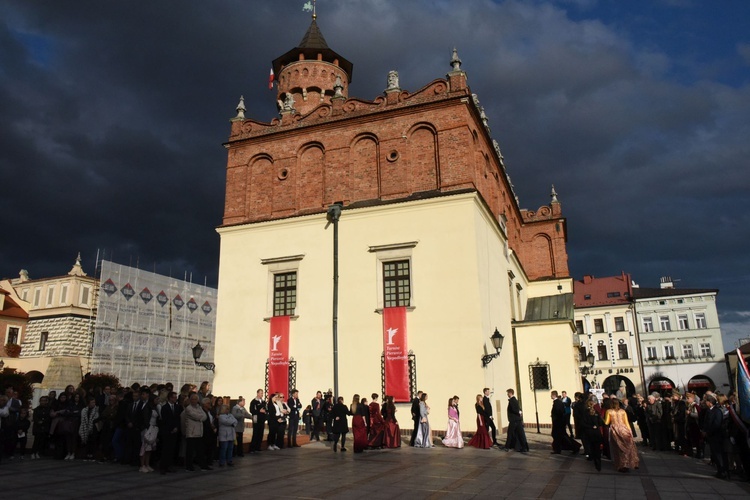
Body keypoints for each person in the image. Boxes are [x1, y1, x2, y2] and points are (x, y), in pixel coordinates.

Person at [604, 398, 639, 472]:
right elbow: (626, 422)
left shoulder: (609, 411)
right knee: (627, 446)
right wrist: (630, 432)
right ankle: (630, 462)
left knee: (618, 447)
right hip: (624, 429)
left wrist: (601, 419)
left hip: (615, 429)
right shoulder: (623, 411)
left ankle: (621, 465)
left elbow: (606, 422)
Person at [703, 394, 728, 479]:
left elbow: (716, 424)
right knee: (714, 454)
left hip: (716, 436)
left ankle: (723, 471)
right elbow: (706, 422)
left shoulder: (717, 411)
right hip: (711, 436)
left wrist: (709, 432)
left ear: (710, 402)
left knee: (718, 454)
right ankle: (719, 471)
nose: (705, 402)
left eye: (706, 401)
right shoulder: (709, 410)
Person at [551, 390, 581, 455]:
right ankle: (573, 446)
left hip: (558, 423)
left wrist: (557, 420)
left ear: (553, 395)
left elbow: (559, 413)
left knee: (559, 436)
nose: (551, 396)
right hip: (559, 422)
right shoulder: (559, 402)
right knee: (561, 436)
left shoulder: (557, 403)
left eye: (551, 395)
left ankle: (573, 446)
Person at [581, 395, 604, 471]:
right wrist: (595, 426)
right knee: (597, 448)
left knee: (591, 447)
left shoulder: (585, 413)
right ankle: (598, 463)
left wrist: (591, 426)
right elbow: (600, 423)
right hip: (596, 433)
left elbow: (583, 423)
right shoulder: (596, 412)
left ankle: (593, 459)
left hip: (589, 433)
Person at [183, 393, 206, 471]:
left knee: (200, 450)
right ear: (190, 400)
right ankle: (189, 466)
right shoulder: (188, 408)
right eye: (192, 399)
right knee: (190, 451)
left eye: (196, 399)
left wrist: (200, 417)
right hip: (191, 433)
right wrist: (200, 417)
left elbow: (204, 416)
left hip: (199, 432)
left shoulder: (199, 407)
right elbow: (195, 416)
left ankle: (202, 465)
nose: (194, 401)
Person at [503, 388, 528, 452]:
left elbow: (514, 409)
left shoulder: (512, 400)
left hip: (514, 420)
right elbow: (518, 408)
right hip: (518, 420)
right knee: (521, 433)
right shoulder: (515, 400)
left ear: (510, 393)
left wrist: (518, 412)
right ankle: (524, 447)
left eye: (508, 393)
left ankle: (507, 447)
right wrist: (519, 412)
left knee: (510, 433)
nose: (507, 394)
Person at [139, 395, 159, 473]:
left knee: (149, 448)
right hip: (147, 428)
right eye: (156, 399)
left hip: (153, 428)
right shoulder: (147, 408)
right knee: (144, 447)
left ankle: (147, 464)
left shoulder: (155, 407)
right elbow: (145, 419)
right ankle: (142, 465)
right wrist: (147, 428)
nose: (158, 401)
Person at [79, 397, 100, 462]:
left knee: (93, 441)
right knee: (86, 440)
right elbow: (83, 419)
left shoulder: (97, 409)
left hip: (93, 427)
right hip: (85, 427)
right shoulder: (84, 410)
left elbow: (96, 417)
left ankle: (92, 455)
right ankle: (86, 454)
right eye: (92, 402)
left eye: (94, 402)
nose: (93, 404)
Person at [31, 395, 52, 459]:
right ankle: (33, 452)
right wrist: (38, 421)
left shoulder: (48, 409)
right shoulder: (37, 409)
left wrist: (43, 421)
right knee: (36, 440)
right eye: (41, 401)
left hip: (44, 427)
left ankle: (37, 452)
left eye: (44, 401)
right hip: (38, 427)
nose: (43, 402)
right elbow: (35, 417)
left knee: (41, 441)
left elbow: (48, 417)